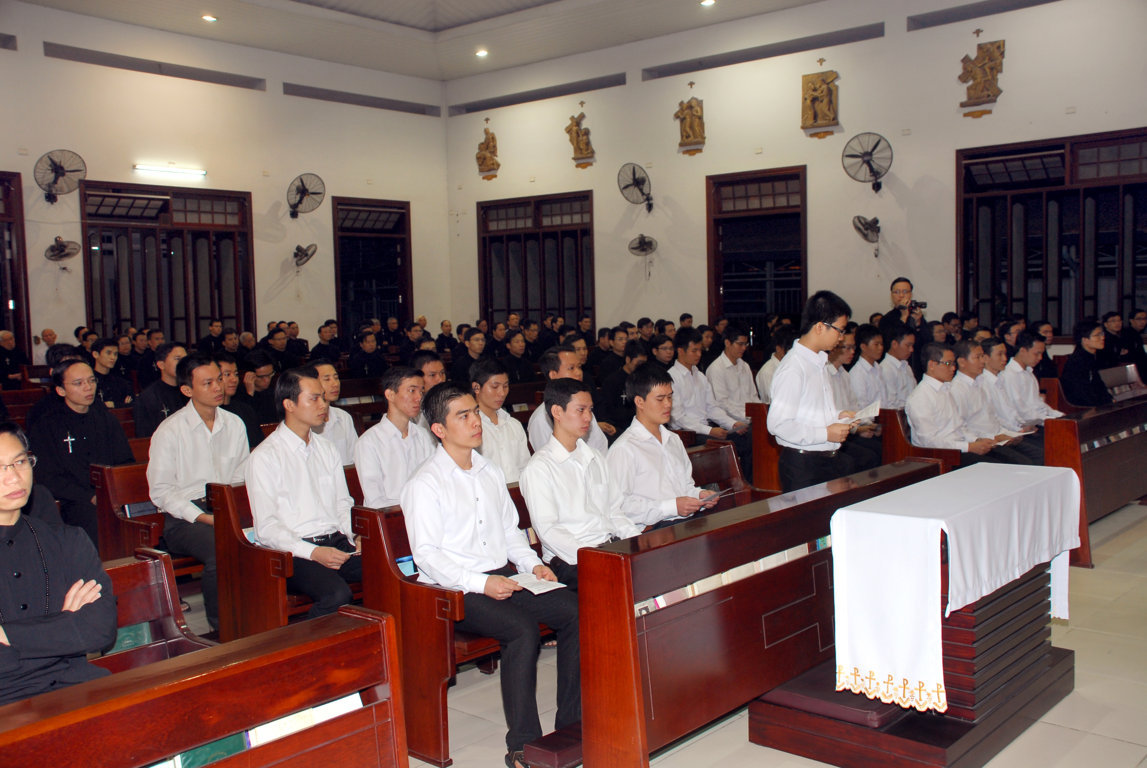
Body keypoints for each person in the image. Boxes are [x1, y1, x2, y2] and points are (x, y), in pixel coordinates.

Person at [401, 383, 580, 768]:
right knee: (521, 630)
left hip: (502, 575)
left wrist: (533, 564)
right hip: (455, 589)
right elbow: (427, 557)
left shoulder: (489, 470)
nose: (475, 421)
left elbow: (510, 532)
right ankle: (523, 744)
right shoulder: (425, 483)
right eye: (463, 416)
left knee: (576, 610)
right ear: (439, 429)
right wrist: (482, 583)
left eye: (475, 413)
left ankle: (572, 724)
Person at [0, 422, 117, 707]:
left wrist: (7, 635)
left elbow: (101, 629)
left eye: (20, 462)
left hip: (75, 686)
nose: (14, 477)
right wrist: (64, 627)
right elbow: (80, 632)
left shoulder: (68, 540)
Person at [245, 367, 362, 618]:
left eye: (323, 397)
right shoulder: (265, 456)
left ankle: (375, 637)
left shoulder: (326, 448)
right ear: (289, 404)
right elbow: (267, 528)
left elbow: (343, 503)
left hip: (335, 541)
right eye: (314, 398)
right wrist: (313, 553)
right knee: (337, 595)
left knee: (389, 571)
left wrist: (355, 535)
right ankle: (310, 641)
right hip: (295, 552)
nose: (323, 405)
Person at [147, 353, 249, 631]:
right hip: (185, 519)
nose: (218, 387)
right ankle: (221, 627)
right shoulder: (170, 431)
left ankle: (256, 615)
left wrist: (230, 511)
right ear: (187, 390)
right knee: (222, 549)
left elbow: (241, 475)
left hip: (226, 507)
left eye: (219, 379)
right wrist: (203, 517)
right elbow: (161, 491)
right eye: (208, 383)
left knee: (267, 539)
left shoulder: (234, 423)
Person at [520, 378, 641, 589]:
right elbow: (549, 531)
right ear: (557, 412)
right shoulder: (540, 468)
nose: (589, 417)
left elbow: (614, 512)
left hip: (610, 548)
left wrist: (637, 542)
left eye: (590, 410)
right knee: (623, 586)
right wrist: (595, 556)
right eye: (581, 410)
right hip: (572, 560)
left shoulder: (595, 457)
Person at [27, 360, 134, 545]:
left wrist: (115, 492)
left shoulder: (106, 420)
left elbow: (125, 461)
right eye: (78, 383)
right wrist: (89, 496)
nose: (88, 387)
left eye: (91, 381)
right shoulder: (47, 426)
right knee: (96, 520)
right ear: (61, 390)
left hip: (112, 496)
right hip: (72, 501)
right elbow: (48, 477)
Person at [766, 291, 859, 492]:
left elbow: (810, 412)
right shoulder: (793, 367)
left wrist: (838, 416)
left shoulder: (819, 361)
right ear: (819, 327)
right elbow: (778, 425)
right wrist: (826, 433)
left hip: (826, 460)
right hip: (804, 465)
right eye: (840, 330)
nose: (841, 338)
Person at [607, 364, 718, 528]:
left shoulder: (673, 439)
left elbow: (685, 486)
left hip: (684, 522)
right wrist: (671, 507)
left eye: (670, 397)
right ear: (639, 402)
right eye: (660, 399)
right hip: (652, 529)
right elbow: (619, 506)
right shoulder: (624, 449)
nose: (667, 404)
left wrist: (699, 495)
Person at [905, 343, 1031, 465]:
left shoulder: (945, 389)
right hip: (941, 455)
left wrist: (977, 440)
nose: (953, 368)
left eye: (953, 363)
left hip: (959, 447)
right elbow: (928, 442)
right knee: (1002, 467)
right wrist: (969, 446)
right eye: (948, 363)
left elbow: (960, 427)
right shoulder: (920, 397)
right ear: (932, 365)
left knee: (1016, 462)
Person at [668, 328, 751, 473]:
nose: (699, 355)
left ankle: (746, 483)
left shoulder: (700, 376)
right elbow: (679, 418)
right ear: (680, 351)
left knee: (749, 439)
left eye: (700, 350)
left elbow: (712, 408)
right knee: (726, 447)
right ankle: (731, 483)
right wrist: (710, 430)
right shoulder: (671, 377)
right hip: (686, 433)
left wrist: (732, 423)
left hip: (705, 428)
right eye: (694, 351)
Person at [951, 340, 1044, 464]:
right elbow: (962, 427)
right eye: (978, 357)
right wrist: (994, 437)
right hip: (980, 443)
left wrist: (1009, 433)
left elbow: (994, 417)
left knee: (1042, 454)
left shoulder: (979, 383)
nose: (983, 361)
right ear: (962, 362)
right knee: (1026, 462)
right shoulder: (957, 389)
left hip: (997, 438)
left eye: (982, 356)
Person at [354, 367, 435, 508]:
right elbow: (375, 501)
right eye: (412, 391)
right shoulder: (369, 443)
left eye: (421, 391)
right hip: (391, 516)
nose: (419, 398)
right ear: (390, 395)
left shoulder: (424, 436)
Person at [527, 346, 609, 454]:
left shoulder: (584, 407)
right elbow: (547, 457)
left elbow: (601, 447)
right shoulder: (541, 419)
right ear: (553, 375)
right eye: (571, 368)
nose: (579, 373)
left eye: (579, 367)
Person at [471, 358, 531, 483]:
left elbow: (525, 468)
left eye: (505, 386)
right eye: (495, 387)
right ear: (476, 387)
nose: (502, 393)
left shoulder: (514, 424)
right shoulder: (470, 427)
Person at [999, 331, 1065, 425]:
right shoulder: (1008, 375)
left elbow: (1038, 404)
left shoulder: (1029, 373)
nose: (1040, 358)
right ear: (1022, 351)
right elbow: (1021, 411)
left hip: (1035, 421)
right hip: (1021, 426)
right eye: (1037, 354)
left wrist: (1059, 415)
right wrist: (1050, 420)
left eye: (1041, 354)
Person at [704, 324, 761, 424]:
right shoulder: (716, 369)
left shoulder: (745, 366)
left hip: (750, 419)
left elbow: (753, 396)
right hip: (730, 423)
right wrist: (747, 417)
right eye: (740, 344)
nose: (744, 348)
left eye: (746, 344)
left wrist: (761, 413)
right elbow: (722, 404)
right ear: (727, 343)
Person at [132, 342, 188, 438]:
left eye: (185, 359)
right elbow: (145, 435)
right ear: (161, 365)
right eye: (178, 359)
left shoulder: (193, 391)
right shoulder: (148, 397)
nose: (184, 364)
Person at [311, 362, 358, 465]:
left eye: (336, 378)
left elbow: (356, 457)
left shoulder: (343, 417)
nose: (335, 384)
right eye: (327, 379)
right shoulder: (307, 421)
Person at [1060, 320, 1113, 407]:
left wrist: (1109, 400)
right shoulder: (1077, 361)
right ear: (1084, 340)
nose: (1102, 337)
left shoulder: (1091, 357)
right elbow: (1081, 392)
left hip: (1094, 404)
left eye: (1102, 334)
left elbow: (1098, 385)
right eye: (1097, 335)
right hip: (1081, 407)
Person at [597, 340, 647, 432]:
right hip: (620, 427)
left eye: (644, 363)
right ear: (628, 359)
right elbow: (608, 411)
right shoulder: (612, 381)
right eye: (639, 363)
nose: (642, 367)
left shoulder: (644, 380)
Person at [217, 352, 264, 449]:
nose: (234, 379)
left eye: (236, 374)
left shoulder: (245, 410)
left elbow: (257, 445)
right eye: (227, 374)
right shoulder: (211, 412)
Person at [232, 350, 278, 424]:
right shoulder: (237, 394)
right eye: (261, 377)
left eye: (270, 374)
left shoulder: (274, 392)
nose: (267, 380)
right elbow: (247, 420)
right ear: (249, 375)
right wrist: (250, 394)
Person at [755, 325, 797, 404]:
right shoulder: (768, 372)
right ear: (778, 348)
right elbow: (774, 401)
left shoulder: (794, 366)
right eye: (790, 349)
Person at [879, 324, 917, 409]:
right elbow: (890, 405)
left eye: (912, 346)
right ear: (894, 344)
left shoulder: (906, 366)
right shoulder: (885, 369)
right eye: (908, 345)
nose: (911, 350)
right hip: (898, 415)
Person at [849, 324, 885, 407]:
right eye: (876, 344)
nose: (881, 348)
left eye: (882, 344)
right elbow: (860, 406)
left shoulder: (879, 368)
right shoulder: (857, 374)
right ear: (863, 347)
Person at [91, 338, 133, 408]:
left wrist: (114, 405)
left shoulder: (121, 382)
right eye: (108, 353)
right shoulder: (89, 381)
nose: (113, 357)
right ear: (95, 354)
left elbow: (132, 403)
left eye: (115, 354)